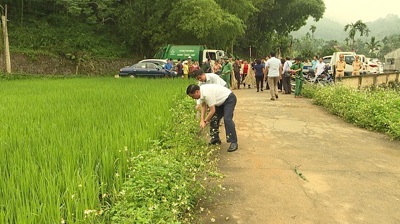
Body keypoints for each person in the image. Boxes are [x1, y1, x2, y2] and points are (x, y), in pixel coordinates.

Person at [186, 84, 238, 152]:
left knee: (227, 119)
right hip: (220, 103)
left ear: (197, 91)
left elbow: (212, 110)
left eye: (193, 96)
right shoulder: (201, 93)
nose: (193, 98)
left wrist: (205, 121)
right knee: (214, 119)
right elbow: (204, 106)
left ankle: (233, 142)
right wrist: (202, 120)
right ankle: (215, 138)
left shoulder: (206, 94)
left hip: (229, 99)